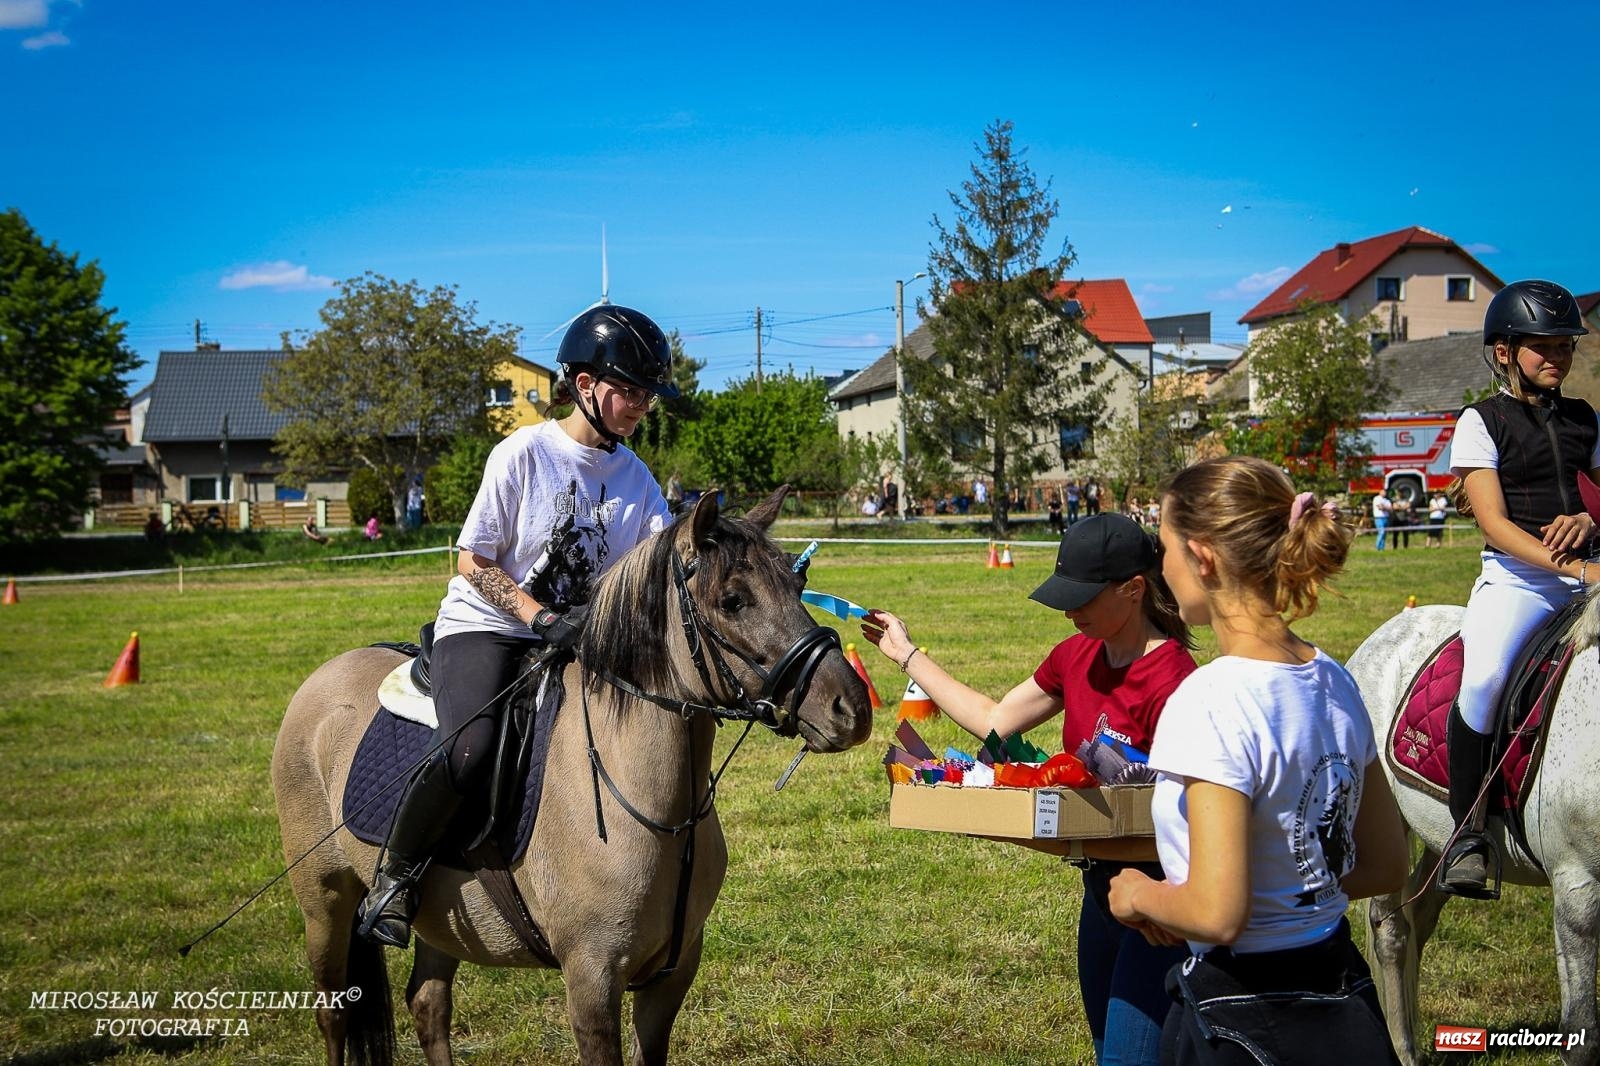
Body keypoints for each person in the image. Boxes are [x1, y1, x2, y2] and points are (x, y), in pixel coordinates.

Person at [357, 304, 679, 948]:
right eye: (631, 390)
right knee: (470, 747)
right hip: (488, 627)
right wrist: (540, 617)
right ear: (585, 386)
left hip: (582, 636)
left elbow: (658, 568)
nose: (642, 404)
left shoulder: (637, 478)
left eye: (649, 394)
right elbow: (471, 560)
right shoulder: (523, 454)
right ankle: (396, 876)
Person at [863, 514, 1198, 1065]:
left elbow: (1186, 824)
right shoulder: (1076, 656)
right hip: (1101, 896)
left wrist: (1061, 836)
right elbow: (996, 718)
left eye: (1083, 599)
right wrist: (907, 655)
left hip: (1160, 904)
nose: (1069, 611)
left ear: (1134, 589)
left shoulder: (1175, 683)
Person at [1107, 456, 1408, 1065]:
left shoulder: (1211, 700)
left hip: (1245, 1014)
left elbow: (1218, 913)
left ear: (1204, 557)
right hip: (1341, 994)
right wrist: (1287, 896)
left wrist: (1141, 896)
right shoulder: (1335, 679)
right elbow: (1385, 864)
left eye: (1163, 548)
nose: (1160, 567)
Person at [1440, 279, 1599, 897]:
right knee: (1482, 679)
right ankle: (1467, 835)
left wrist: (1590, 521)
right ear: (1504, 351)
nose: (1557, 357)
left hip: (1591, 569)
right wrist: (1574, 570)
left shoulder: (1586, 418)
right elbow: (1495, 524)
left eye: (1565, 346)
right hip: (1522, 579)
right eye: (1543, 347)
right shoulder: (1481, 421)